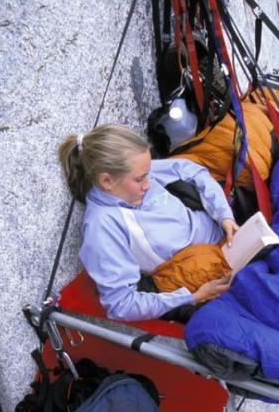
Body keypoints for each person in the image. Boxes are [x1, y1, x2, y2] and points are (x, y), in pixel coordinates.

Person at [58, 124, 238, 321]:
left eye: (148, 172)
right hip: (204, 275)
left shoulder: (136, 176)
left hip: (229, 238)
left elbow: (191, 171)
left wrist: (224, 215)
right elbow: (121, 304)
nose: (148, 182)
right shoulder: (102, 227)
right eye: (140, 179)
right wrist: (191, 297)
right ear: (106, 181)